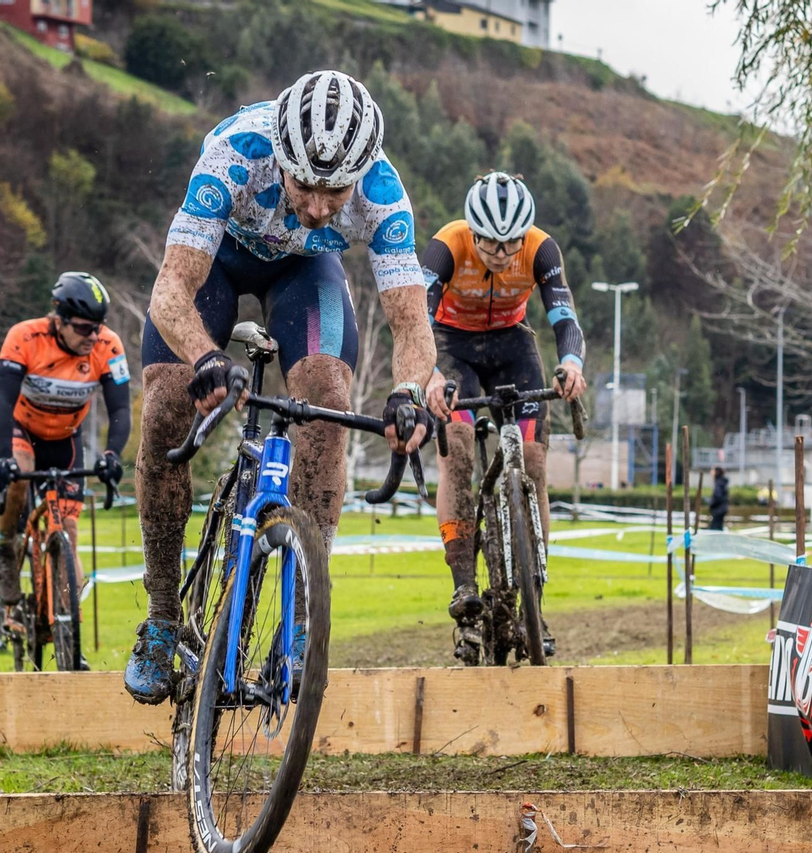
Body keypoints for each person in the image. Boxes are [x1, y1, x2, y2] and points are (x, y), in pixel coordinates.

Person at [125, 70, 438, 704]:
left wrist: (407, 390)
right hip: (219, 261)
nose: (321, 206)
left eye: (335, 192)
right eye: (305, 185)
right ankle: (162, 616)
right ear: (283, 159)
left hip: (303, 274)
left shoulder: (381, 191)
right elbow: (170, 292)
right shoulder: (238, 151)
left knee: (326, 400)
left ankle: (299, 624)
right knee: (165, 405)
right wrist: (208, 357)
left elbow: (411, 324)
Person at [420, 172, 588, 664]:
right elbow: (418, 321)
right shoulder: (446, 247)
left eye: (510, 243)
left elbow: (563, 316)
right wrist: (428, 375)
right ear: (473, 232)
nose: (501, 253)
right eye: (491, 244)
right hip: (452, 346)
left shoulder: (540, 249)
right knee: (459, 453)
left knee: (534, 467)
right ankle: (464, 585)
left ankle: (533, 595)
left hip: (514, 344)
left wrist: (571, 364)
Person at [0, 271, 131, 666]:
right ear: (59, 319)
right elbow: (1, 402)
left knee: (67, 531)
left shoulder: (107, 344)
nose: (93, 335)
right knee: (18, 477)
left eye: (98, 326)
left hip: (65, 437)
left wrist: (111, 454)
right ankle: (6, 545)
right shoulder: (24, 337)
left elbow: (120, 408)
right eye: (84, 327)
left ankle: (70, 633)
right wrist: (1, 456)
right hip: (21, 430)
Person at [709, 466, 729, 531]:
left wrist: (712, 505)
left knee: (714, 529)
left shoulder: (719, 483)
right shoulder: (722, 482)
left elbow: (718, 496)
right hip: (722, 508)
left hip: (718, 509)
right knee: (718, 527)